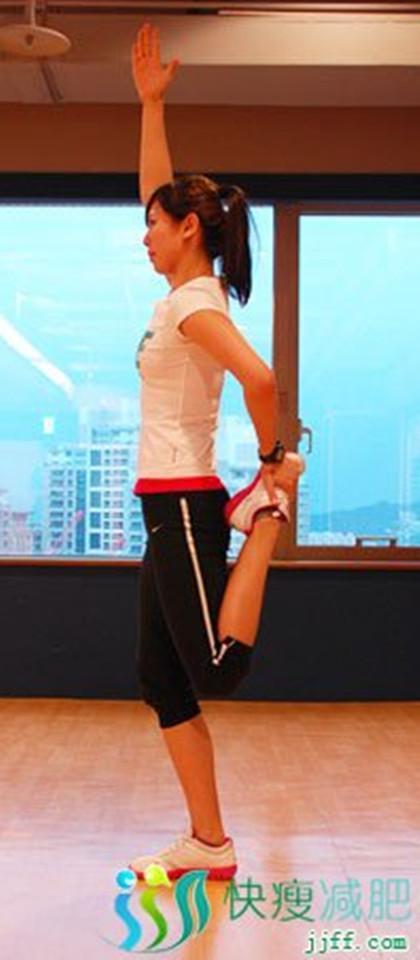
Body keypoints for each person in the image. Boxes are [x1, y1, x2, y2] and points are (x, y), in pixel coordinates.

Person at [128, 22, 305, 882]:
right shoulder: (184, 293)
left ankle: (264, 517)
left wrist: (272, 457)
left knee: (216, 671)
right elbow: (157, 193)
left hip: (184, 503)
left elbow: (260, 377)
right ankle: (208, 840)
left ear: (189, 229)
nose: (145, 234)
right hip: (163, 506)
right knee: (160, 677)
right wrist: (151, 107)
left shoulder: (195, 304)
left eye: (155, 225)